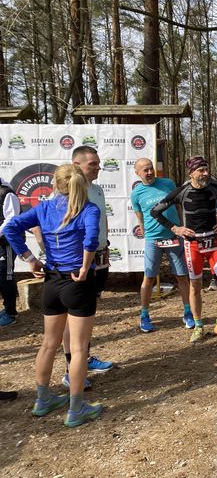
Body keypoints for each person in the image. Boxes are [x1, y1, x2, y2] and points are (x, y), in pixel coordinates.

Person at [3, 164, 103, 427]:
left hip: (52, 281)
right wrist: (84, 266)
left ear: (56, 184)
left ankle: (43, 400)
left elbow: (11, 227)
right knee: (79, 347)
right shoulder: (88, 208)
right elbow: (91, 238)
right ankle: (76, 409)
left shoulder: (44, 207)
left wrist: (30, 259)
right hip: (76, 282)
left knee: (49, 343)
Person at [151, 156, 217, 343]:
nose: (206, 174)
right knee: (196, 286)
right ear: (191, 172)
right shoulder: (182, 191)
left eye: (207, 169)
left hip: (214, 242)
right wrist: (176, 229)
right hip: (193, 244)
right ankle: (198, 325)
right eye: (201, 171)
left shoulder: (215, 188)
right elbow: (155, 211)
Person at [60, 146, 114, 389]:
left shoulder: (98, 190)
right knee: (74, 317)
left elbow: (102, 221)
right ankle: (70, 370)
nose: (98, 167)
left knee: (87, 314)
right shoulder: (66, 194)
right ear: (76, 165)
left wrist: (106, 246)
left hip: (100, 258)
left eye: (99, 163)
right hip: (79, 263)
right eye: (92, 163)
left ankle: (84, 358)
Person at [131, 158, 192, 332]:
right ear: (137, 173)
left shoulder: (168, 183)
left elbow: (178, 207)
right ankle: (144, 315)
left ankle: (188, 312)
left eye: (151, 169)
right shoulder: (136, 193)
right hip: (153, 239)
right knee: (149, 278)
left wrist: (181, 226)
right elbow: (139, 216)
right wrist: (145, 232)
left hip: (174, 236)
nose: (149, 173)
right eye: (145, 170)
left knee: (181, 276)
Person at [0, 176, 20, 327]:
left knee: (5, 277)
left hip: (4, 243)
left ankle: (10, 312)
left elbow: (11, 220)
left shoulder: (6, 193)